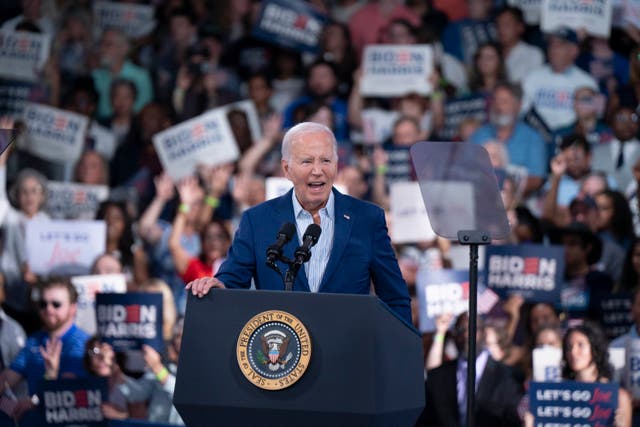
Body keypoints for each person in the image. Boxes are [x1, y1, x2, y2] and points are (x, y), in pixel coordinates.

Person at [186, 122, 412, 324]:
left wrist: (399, 354)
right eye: (307, 161)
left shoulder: (366, 218)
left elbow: (394, 297)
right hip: (282, 356)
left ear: (336, 164)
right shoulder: (257, 221)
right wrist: (218, 287)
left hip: (348, 352)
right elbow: (232, 280)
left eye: (326, 160)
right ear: (287, 169)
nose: (317, 170)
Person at [0, 277, 90, 421]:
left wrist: (35, 400)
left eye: (56, 304)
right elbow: (7, 378)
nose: (49, 309)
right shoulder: (34, 340)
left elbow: (66, 388)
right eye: (43, 304)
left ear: (73, 308)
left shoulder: (82, 342)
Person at [416, 312, 523, 427]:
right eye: (461, 329)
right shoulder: (437, 376)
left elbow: (513, 419)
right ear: (454, 335)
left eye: (473, 329)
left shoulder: (508, 376)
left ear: (483, 333)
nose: (467, 335)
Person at [562, 323, 632, 427]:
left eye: (580, 345)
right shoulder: (560, 393)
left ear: (595, 349)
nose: (573, 352)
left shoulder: (619, 397)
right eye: (569, 347)